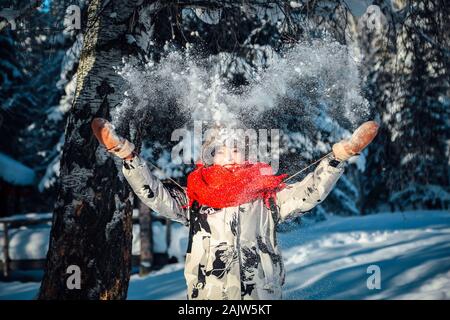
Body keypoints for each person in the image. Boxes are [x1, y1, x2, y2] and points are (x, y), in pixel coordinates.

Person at [91, 118, 378, 300]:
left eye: (236, 149)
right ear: (210, 156)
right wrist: (128, 157)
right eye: (221, 150)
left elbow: (309, 193)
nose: (229, 156)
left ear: (248, 154)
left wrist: (337, 159)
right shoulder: (196, 199)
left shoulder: (267, 196)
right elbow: (155, 195)